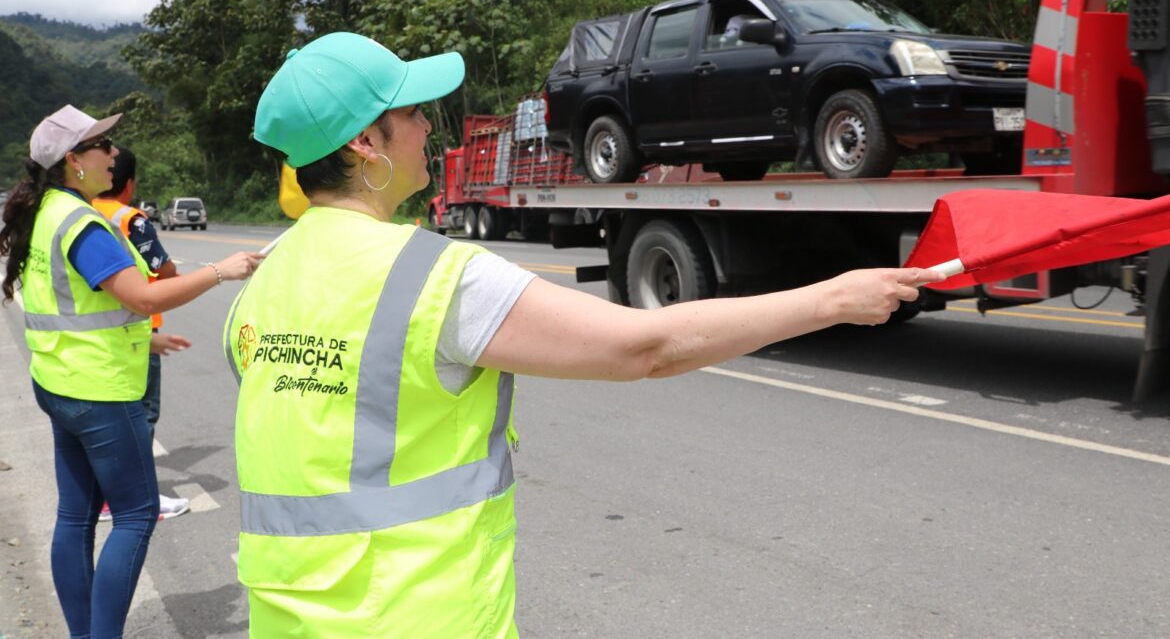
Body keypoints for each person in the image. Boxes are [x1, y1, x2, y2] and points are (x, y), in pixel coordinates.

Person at [222, 32, 942, 637]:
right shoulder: (433, 276)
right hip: (415, 617)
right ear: (364, 144)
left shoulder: (264, 278)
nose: (429, 129)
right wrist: (832, 299)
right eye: (411, 113)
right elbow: (644, 346)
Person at [0, 105, 264, 639]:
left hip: (59, 383)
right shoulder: (80, 222)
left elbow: (74, 308)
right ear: (74, 160)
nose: (114, 154)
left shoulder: (43, 210)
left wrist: (146, 340)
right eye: (104, 145)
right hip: (100, 391)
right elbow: (143, 296)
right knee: (136, 515)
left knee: (76, 516)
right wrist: (220, 270)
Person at [92, 146, 191, 521]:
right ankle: (138, 497)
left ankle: (105, 495)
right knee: (143, 415)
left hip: (97, 333)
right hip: (138, 331)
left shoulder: (82, 211)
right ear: (129, 184)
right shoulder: (131, 220)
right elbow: (164, 273)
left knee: (111, 418)